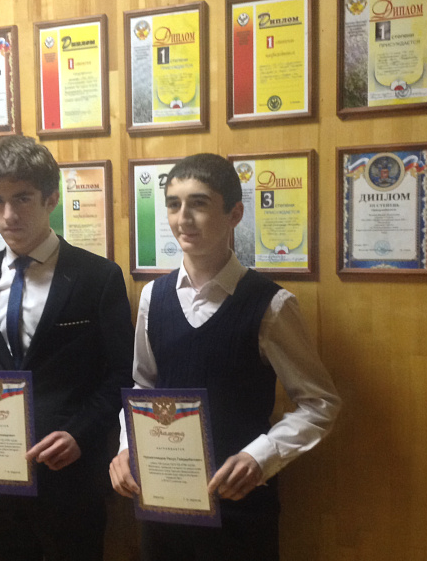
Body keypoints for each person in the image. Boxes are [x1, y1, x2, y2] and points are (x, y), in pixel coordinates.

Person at [109, 153, 341, 561]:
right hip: (164, 501)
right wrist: (128, 446)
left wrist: (260, 457)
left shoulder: (270, 305)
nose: (183, 218)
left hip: (240, 504)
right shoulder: (153, 297)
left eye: (198, 204)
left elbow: (320, 403)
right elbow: (143, 387)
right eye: (174, 204)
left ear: (234, 214)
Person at [0, 135, 134, 561]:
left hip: (72, 478)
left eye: (22, 198)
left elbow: (121, 375)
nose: (8, 215)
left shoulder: (98, 277)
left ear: (51, 199)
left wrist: (79, 434)